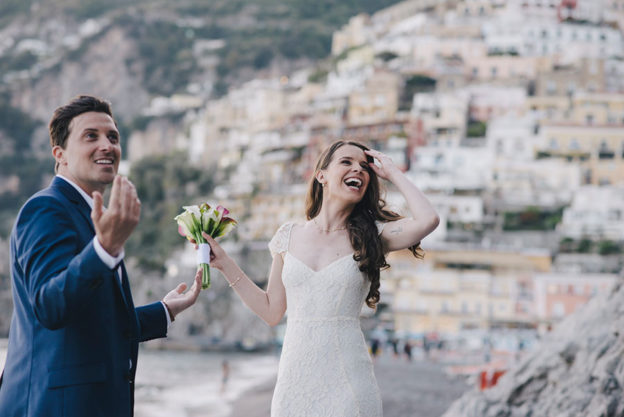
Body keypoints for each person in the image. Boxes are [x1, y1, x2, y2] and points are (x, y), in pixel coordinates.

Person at [200, 140, 439, 417]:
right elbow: (271, 311)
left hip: (349, 385)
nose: (358, 170)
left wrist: (393, 173)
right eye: (346, 162)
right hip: (294, 385)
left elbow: (428, 220)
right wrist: (226, 265)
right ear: (321, 175)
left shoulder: (374, 234)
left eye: (364, 167)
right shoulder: (287, 236)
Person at [0, 95, 202, 417]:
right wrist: (105, 249)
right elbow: (50, 306)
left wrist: (165, 311)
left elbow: (102, 323)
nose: (107, 145)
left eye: (113, 137)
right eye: (90, 136)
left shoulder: (95, 218)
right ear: (60, 155)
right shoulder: (46, 209)